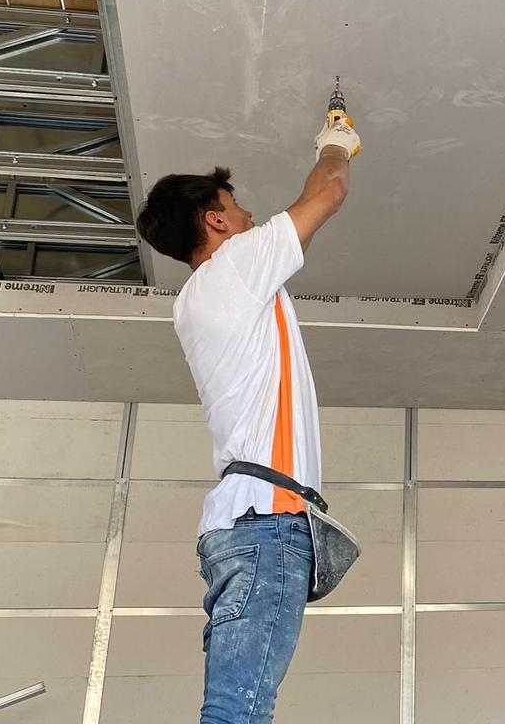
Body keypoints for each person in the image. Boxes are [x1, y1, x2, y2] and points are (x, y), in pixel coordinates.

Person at [135, 100, 361, 724]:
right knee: (238, 713)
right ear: (216, 221)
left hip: (250, 526)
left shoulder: (200, 300)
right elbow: (329, 190)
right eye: (235, 207)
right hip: (267, 523)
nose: (250, 216)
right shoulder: (233, 268)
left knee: (236, 709)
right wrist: (336, 142)